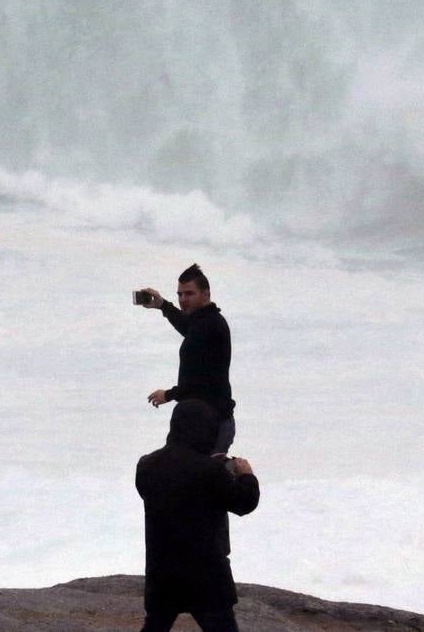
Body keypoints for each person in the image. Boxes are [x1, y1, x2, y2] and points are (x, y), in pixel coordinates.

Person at [135, 399, 260, 632]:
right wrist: (246, 476)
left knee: (155, 626)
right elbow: (244, 503)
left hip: (162, 573)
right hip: (207, 576)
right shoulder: (211, 472)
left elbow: (163, 488)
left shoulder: (146, 465)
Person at [136, 263, 237, 454]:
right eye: (180, 294)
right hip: (203, 420)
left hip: (212, 423)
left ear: (206, 294)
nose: (183, 299)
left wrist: (168, 394)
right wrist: (162, 305)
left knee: (199, 481)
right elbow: (187, 327)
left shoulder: (209, 326)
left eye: (189, 294)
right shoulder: (204, 321)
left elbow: (199, 381)